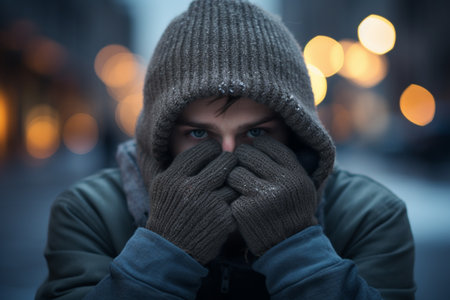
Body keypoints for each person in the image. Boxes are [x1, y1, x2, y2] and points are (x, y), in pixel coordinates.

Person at [36, 0, 415, 299]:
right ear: (163, 137)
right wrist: (166, 249)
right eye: (200, 135)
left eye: (258, 133)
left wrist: (296, 245)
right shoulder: (90, 213)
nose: (230, 154)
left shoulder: (370, 215)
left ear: (296, 134)